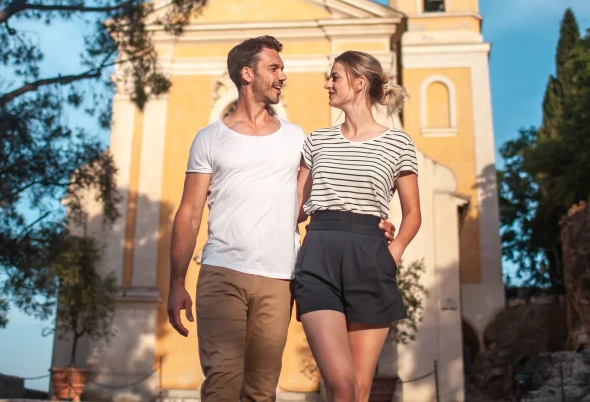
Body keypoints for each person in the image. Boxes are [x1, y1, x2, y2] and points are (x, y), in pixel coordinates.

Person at [166, 36, 396, 402]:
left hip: (280, 278)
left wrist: (372, 224)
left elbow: (320, 201)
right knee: (223, 382)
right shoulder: (209, 138)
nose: (282, 76)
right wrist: (177, 282)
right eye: (274, 68)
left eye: (282, 68)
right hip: (221, 272)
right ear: (246, 74)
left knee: (261, 392)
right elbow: (189, 211)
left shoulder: (298, 139)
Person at [293, 50, 422, 402]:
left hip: (370, 257)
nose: (327, 84)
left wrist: (393, 253)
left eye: (335, 77)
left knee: (361, 389)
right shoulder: (316, 140)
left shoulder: (399, 142)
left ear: (359, 82)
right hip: (318, 257)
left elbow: (412, 214)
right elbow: (296, 207)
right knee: (341, 385)